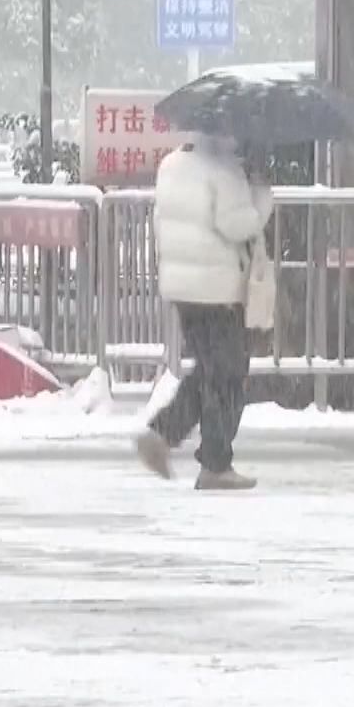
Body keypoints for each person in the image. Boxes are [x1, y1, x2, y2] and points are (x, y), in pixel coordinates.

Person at [137, 135, 273, 490]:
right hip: (218, 287)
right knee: (227, 374)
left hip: (184, 287)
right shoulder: (224, 171)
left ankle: (171, 438)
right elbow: (239, 225)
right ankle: (210, 460)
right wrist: (260, 193)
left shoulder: (171, 165)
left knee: (213, 371)